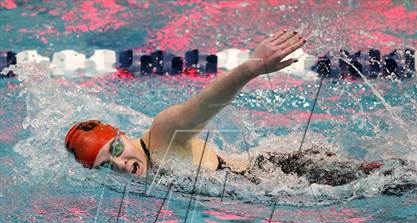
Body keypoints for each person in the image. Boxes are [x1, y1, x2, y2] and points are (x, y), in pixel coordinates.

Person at [65, 30, 387, 187]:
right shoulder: (144, 180)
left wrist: (251, 68)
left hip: (289, 169)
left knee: (396, 180)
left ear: (122, 134)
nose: (120, 164)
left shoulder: (161, 134)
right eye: (107, 166)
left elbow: (205, 104)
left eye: (115, 149)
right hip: (275, 178)